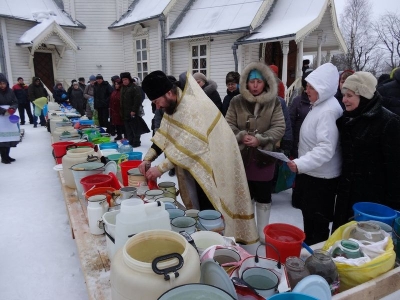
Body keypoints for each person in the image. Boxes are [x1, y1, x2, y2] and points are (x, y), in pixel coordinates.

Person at [140, 70, 258, 246]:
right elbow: (165, 134)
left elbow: (191, 144)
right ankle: (204, 240)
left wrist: (161, 168)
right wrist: (148, 158)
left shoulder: (191, 106)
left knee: (212, 208)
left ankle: (217, 245)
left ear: (168, 93)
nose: (157, 107)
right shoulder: (173, 106)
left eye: (157, 102)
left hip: (214, 164)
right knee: (199, 207)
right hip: (196, 165)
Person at [225, 62, 285, 243]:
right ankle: (247, 231)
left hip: (264, 158)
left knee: (264, 196)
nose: (256, 86)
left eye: (259, 81)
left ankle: (262, 234)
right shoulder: (236, 101)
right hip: (242, 158)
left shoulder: (274, 102)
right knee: (245, 195)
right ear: (246, 83)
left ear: (265, 82)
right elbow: (228, 124)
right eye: (252, 82)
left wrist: (261, 139)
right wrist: (241, 135)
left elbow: (279, 126)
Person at [332, 72, 400, 231]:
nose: (344, 100)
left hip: (372, 202)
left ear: (363, 96)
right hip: (346, 197)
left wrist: (393, 208)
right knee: (342, 240)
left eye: (349, 95)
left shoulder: (389, 122)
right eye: (343, 95)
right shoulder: (347, 119)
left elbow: (395, 170)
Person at [287, 63, 342, 245]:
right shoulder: (319, 105)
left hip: (321, 180)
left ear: (323, 88)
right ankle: (312, 254)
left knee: (317, 224)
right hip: (311, 174)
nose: (306, 90)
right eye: (307, 85)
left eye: (311, 87)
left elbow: (326, 148)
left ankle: (318, 259)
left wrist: (301, 163)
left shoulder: (327, 111)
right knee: (309, 219)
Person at [289, 68, 313, 208]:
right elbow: (290, 121)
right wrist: (291, 142)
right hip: (298, 143)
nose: (307, 89)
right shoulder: (298, 101)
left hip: (313, 145)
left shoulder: (320, 103)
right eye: (306, 85)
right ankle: (297, 198)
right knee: (299, 173)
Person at [120, 72, 147, 147]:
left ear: (129, 79)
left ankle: (136, 142)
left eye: (126, 79)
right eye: (123, 80)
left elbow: (137, 101)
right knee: (128, 129)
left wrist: (134, 111)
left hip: (133, 112)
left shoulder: (134, 88)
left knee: (135, 128)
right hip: (125, 112)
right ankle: (131, 141)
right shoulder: (123, 88)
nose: (124, 81)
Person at [0, 73, 20, 164]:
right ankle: (3, 157)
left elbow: (15, 101)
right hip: (1, 117)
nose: (2, 85)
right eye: (0, 84)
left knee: (8, 137)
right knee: (2, 138)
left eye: (3, 83)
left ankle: (7, 155)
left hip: (9, 117)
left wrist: (12, 108)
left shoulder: (10, 91)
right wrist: (3, 111)